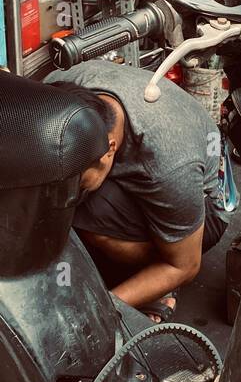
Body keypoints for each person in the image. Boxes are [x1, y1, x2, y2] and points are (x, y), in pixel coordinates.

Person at [45, 62, 227, 321]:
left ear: (109, 149)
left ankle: (154, 286)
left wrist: (96, 314)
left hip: (204, 210)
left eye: (77, 182)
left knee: (85, 212)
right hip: (156, 179)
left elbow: (185, 266)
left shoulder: (170, 162)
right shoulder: (59, 90)